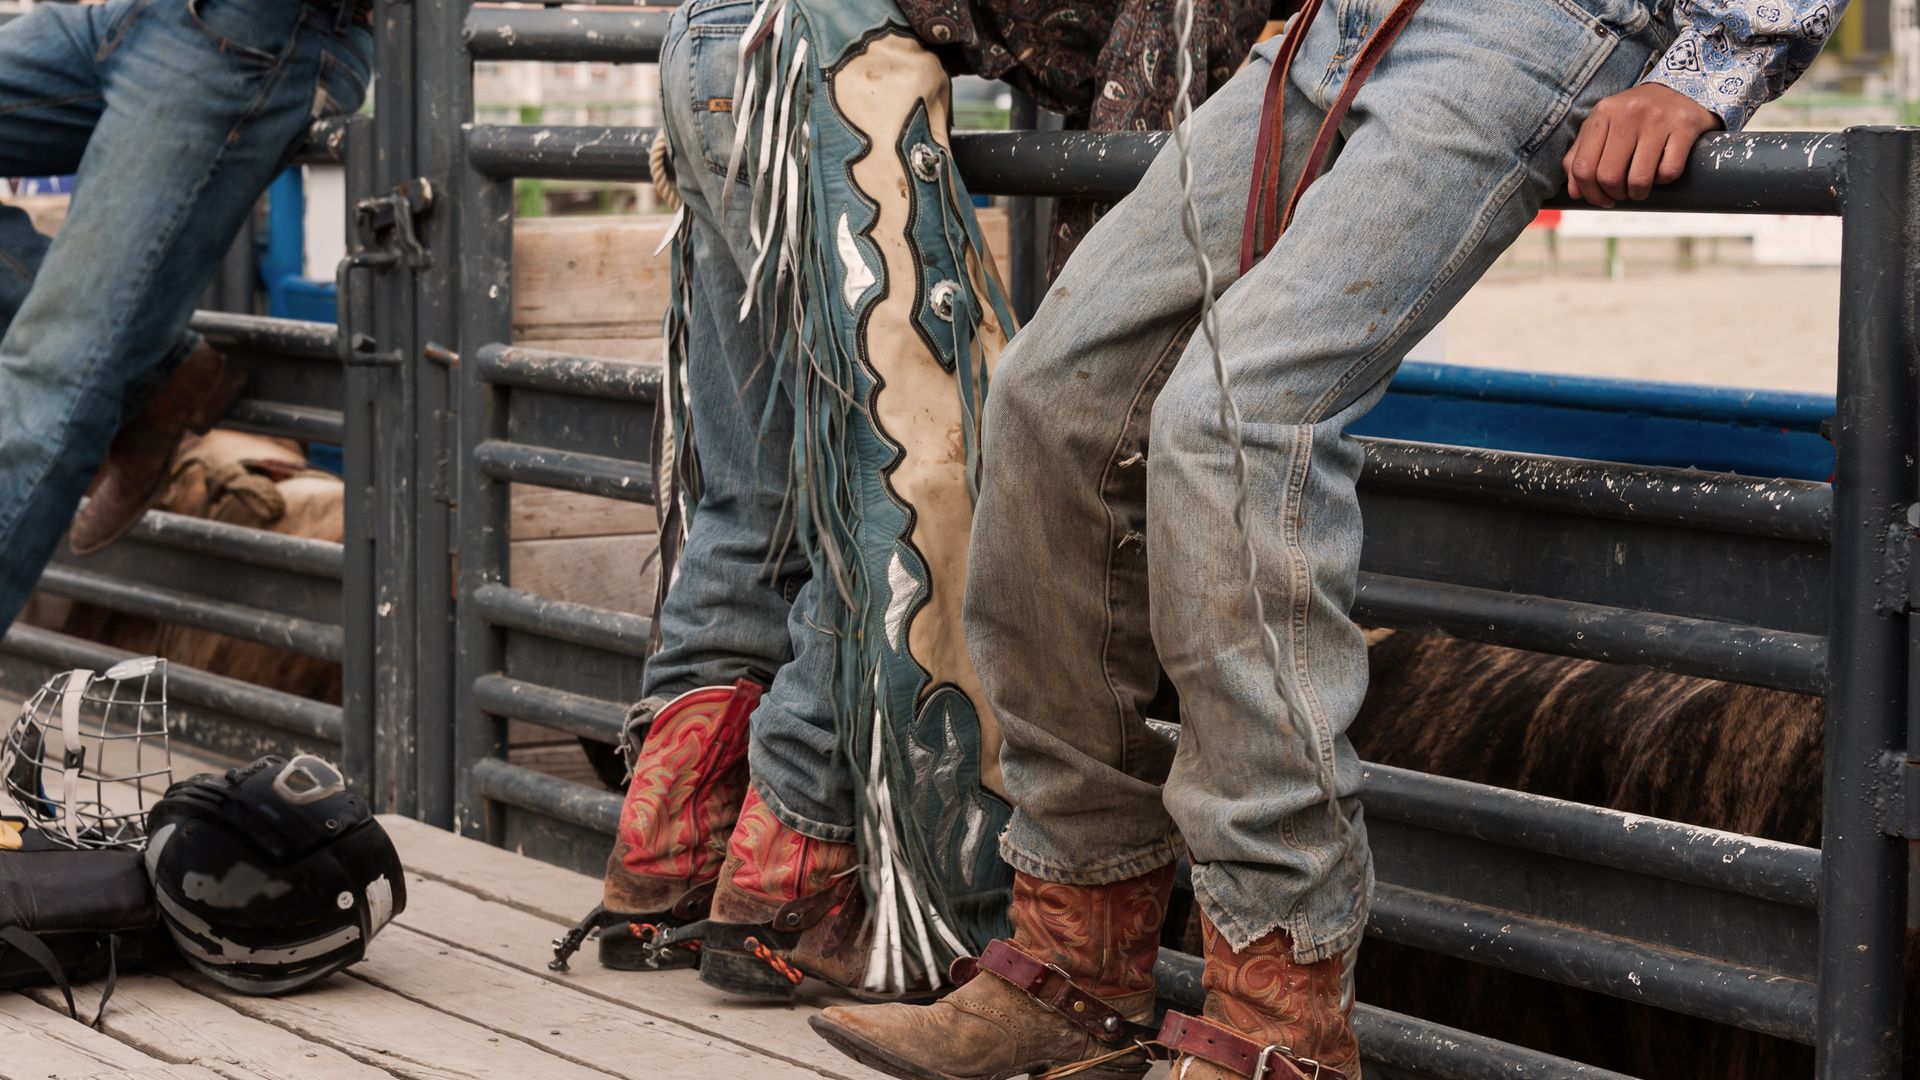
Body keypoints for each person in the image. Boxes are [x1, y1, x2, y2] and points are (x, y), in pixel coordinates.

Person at [806, 0, 1841, 1072]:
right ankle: (1078, 952)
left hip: (1538, 24)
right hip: (1335, 23)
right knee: (1047, 399)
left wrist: (1715, 64)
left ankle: (1279, 1022)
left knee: (1238, 418)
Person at [571, 0, 1265, 999]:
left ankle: (668, 853)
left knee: (750, 503)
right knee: (905, 482)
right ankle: (791, 866)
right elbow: (1148, 90)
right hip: (837, 57)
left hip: (717, 38)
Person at [0, 0, 373, 635]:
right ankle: (150, 378)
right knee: (66, 358)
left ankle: (137, 372)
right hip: (136, 14)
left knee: (50, 370)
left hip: (254, 30)